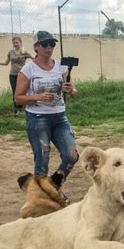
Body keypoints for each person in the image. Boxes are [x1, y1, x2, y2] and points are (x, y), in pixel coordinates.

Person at [14, 30, 78, 185]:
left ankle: (54, 185)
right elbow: (18, 98)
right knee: (42, 159)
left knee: (72, 156)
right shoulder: (28, 69)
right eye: (44, 44)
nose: (48, 48)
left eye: (52, 44)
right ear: (36, 47)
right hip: (38, 118)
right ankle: (41, 195)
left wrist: (72, 90)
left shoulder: (61, 67)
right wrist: (37, 97)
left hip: (60, 117)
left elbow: (74, 93)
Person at [0, 36, 32, 114]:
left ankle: (23, 108)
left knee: (23, 92)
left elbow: (34, 59)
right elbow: (5, 63)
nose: (15, 44)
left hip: (22, 75)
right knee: (15, 92)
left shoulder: (24, 52)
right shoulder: (10, 52)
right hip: (13, 75)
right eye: (14, 43)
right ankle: (17, 109)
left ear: (20, 43)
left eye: (17, 42)